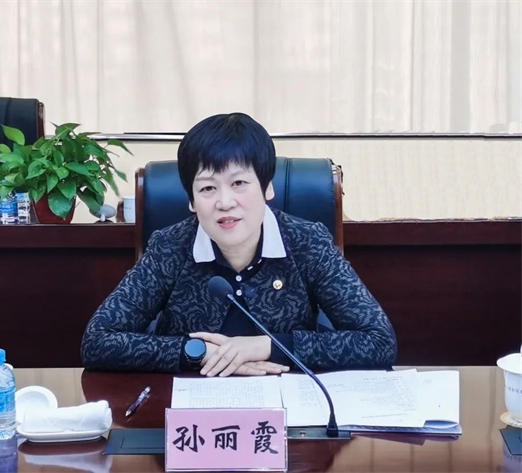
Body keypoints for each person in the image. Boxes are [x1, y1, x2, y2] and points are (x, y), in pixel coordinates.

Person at [81, 112, 397, 376]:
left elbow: (378, 341)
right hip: (191, 408)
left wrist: (269, 346)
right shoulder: (170, 246)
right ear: (191, 200)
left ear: (267, 187)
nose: (225, 202)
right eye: (207, 188)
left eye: (239, 183)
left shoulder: (307, 242)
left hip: (288, 409)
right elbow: (98, 341)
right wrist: (197, 352)